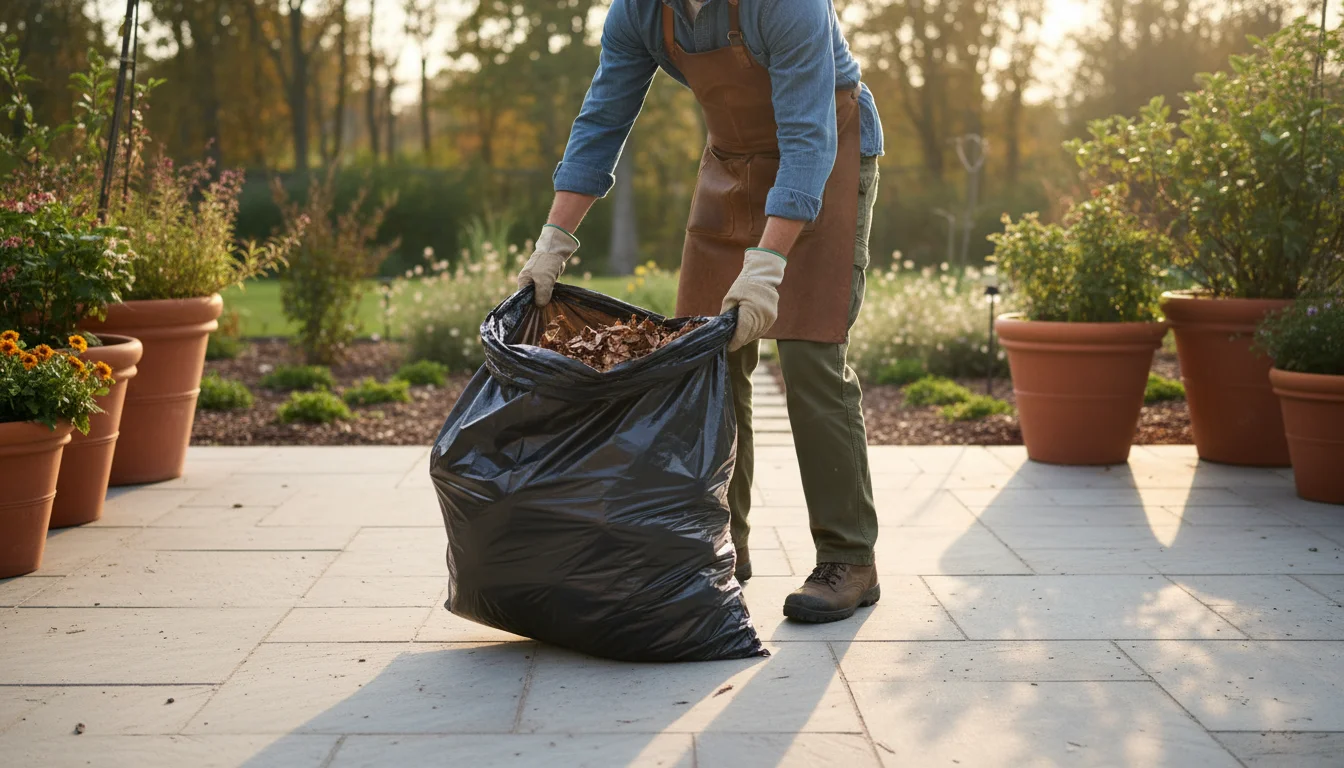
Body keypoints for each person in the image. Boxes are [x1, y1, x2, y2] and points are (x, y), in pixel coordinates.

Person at [517, 0, 882, 624]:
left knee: (810, 356)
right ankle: (716, 549)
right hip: (731, 163)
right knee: (708, 359)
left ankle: (849, 558)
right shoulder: (638, 12)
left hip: (826, 155)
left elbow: (807, 136)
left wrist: (767, 265)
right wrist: (554, 238)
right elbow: (603, 119)